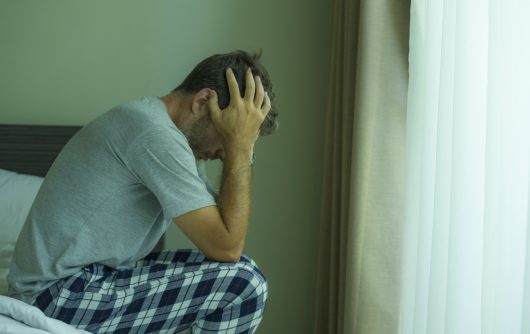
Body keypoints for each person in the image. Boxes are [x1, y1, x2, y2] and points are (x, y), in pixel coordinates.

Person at [7, 50, 278, 334]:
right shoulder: (153, 133)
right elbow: (227, 245)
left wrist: (240, 145)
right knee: (245, 285)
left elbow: (224, 237)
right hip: (55, 295)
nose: (223, 153)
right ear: (202, 102)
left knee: (241, 270)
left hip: (89, 281)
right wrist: (240, 147)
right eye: (227, 135)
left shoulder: (167, 135)